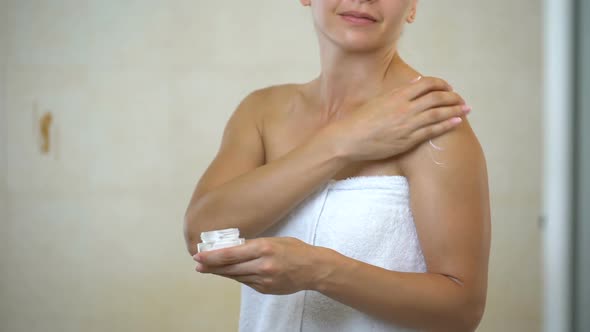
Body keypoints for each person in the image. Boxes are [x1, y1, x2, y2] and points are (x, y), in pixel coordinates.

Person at [184, 0, 490, 331]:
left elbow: (461, 312)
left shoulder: (431, 121)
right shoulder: (261, 112)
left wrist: (320, 270)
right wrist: (343, 142)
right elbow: (201, 234)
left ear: (412, 7)